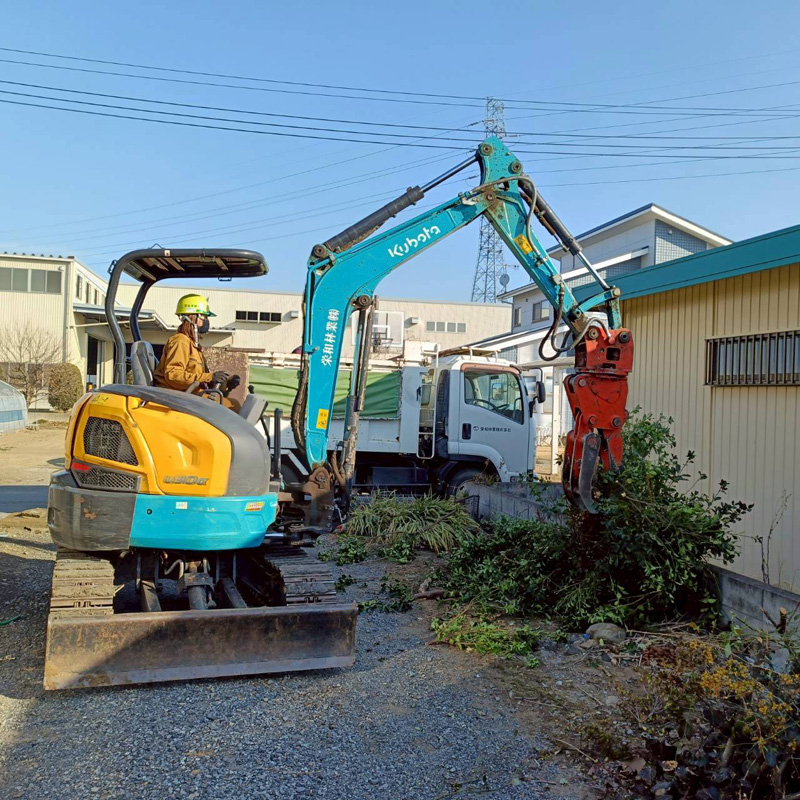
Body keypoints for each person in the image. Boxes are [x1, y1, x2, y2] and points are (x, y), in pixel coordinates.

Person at [153, 294, 240, 411]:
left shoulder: (193, 345)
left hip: (190, 395)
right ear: (193, 317)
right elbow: (173, 376)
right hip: (178, 397)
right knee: (233, 407)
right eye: (204, 317)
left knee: (233, 403)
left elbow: (201, 377)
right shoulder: (180, 341)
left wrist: (227, 383)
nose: (206, 321)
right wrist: (210, 377)